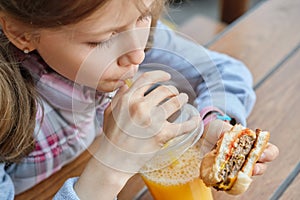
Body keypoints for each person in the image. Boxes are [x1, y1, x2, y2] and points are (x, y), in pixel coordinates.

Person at [0, 0, 279, 199]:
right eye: (100, 41)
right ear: (20, 33)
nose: (138, 55)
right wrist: (111, 166)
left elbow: (224, 71)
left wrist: (213, 122)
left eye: (143, 15)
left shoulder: (124, 18)